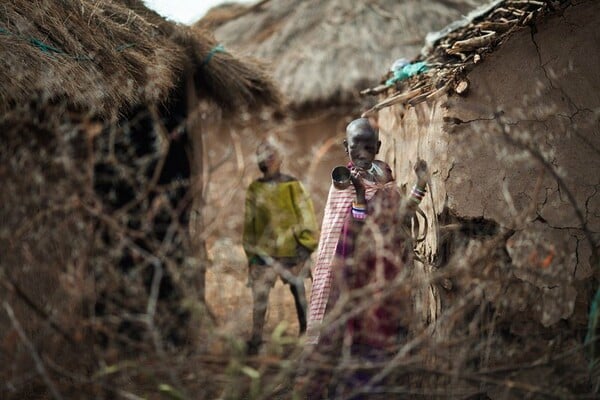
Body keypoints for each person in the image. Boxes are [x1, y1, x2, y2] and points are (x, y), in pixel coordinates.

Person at [299, 117, 428, 398]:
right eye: (357, 147)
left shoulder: (385, 180)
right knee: (342, 330)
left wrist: (420, 184)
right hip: (348, 274)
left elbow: (400, 218)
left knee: (377, 334)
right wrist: (358, 194)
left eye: (369, 147)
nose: (362, 153)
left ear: (378, 147)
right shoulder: (343, 184)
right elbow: (350, 232)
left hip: (380, 274)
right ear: (346, 147)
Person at [243, 138, 319, 354]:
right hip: (263, 255)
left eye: (273, 154)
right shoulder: (255, 189)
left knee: (299, 294)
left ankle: (307, 336)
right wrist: (251, 253)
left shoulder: (293, 186)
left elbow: (306, 215)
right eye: (265, 154)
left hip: (292, 252)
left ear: (280, 158)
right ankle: (256, 339)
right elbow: (250, 224)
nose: (270, 158)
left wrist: (306, 245)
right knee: (260, 298)